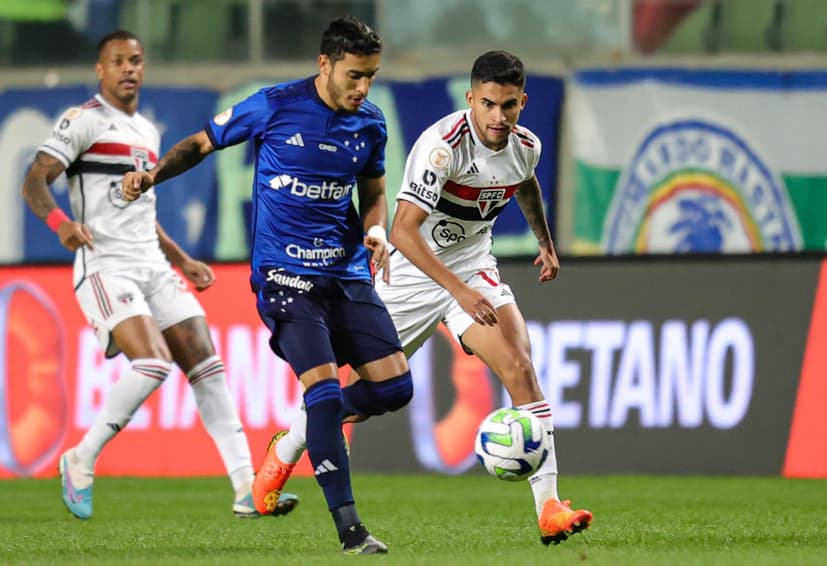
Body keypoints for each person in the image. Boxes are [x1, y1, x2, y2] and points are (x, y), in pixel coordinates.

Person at [258, 50, 594, 546]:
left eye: (508, 106)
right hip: (411, 274)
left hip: (473, 268)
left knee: (521, 368)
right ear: (470, 100)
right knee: (366, 395)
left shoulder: (526, 145)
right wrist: (455, 290)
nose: (498, 117)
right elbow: (404, 231)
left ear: (522, 103)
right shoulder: (441, 146)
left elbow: (524, 184)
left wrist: (543, 240)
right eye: (488, 105)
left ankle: (549, 508)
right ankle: (287, 449)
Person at [121, 17, 413, 555]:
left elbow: (374, 189)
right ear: (324, 64)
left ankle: (303, 431)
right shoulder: (274, 105)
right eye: (354, 75)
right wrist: (151, 177)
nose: (362, 88)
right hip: (285, 278)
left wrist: (375, 229)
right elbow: (200, 144)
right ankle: (351, 531)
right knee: (322, 392)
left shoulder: (371, 124)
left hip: (346, 274)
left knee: (396, 389)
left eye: (370, 76)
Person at [20, 29, 298, 521]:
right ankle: (80, 459)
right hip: (105, 265)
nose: (130, 69)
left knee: (207, 366)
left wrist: (182, 258)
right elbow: (35, 179)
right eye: (119, 61)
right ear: (100, 70)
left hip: (151, 262)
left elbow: (143, 211)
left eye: (137, 60)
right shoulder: (81, 122)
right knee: (153, 363)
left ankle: (245, 488)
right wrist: (60, 225)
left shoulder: (147, 131)